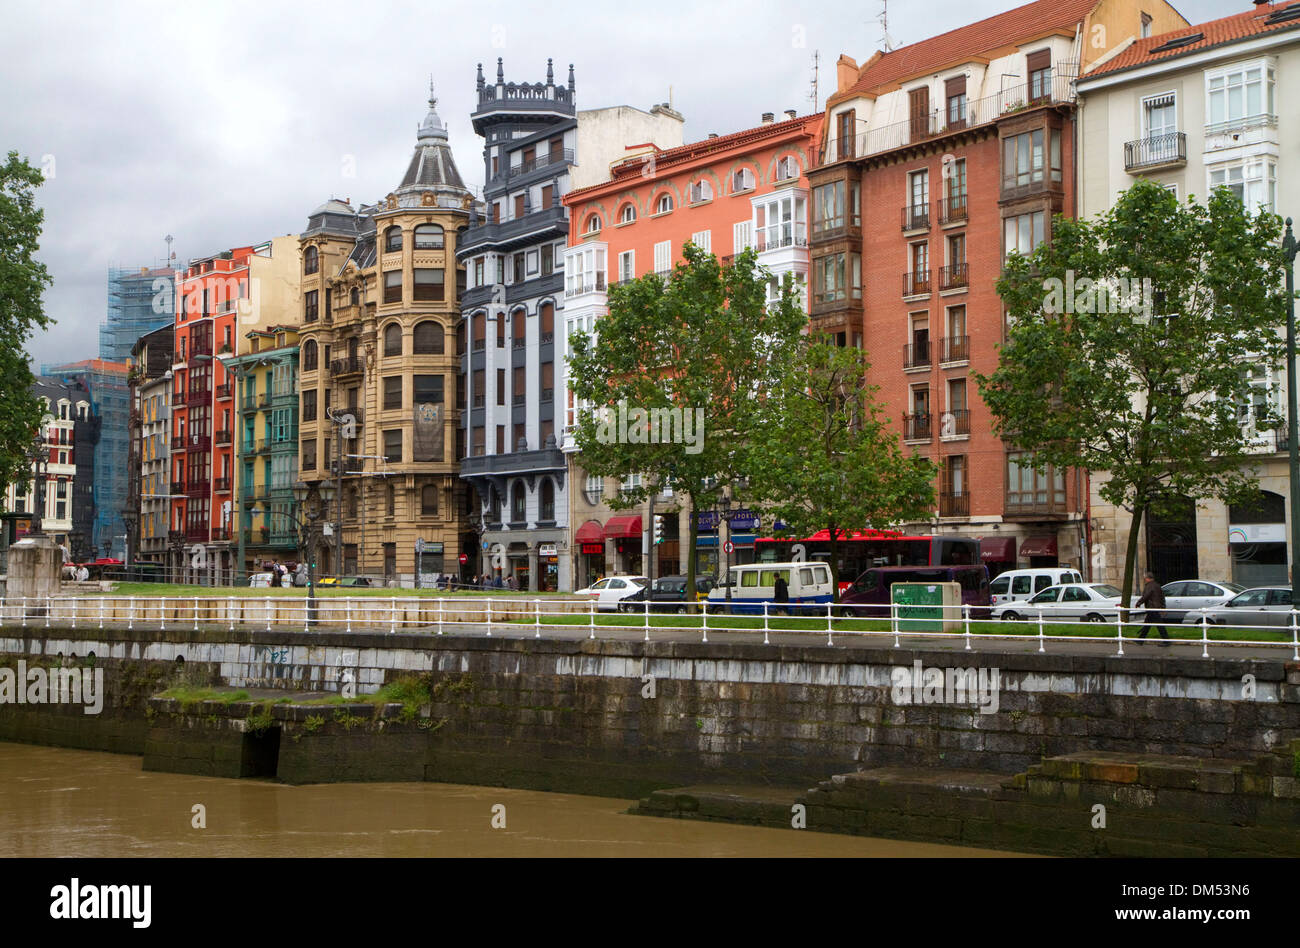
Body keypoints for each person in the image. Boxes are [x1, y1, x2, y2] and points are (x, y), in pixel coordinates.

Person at [1135, 570, 1170, 646]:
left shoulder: (1149, 586)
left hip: (1152, 608)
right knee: (1147, 624)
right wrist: (1163, 607)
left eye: (1145, 578)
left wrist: (1138, 603)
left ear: (1147, 578)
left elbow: (1146, 596)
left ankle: (1166, 641)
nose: (1144, 580)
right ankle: (1140, 640)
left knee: (1159, 625)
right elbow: (1162, 597)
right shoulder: (1157, 585)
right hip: (1156, 607)